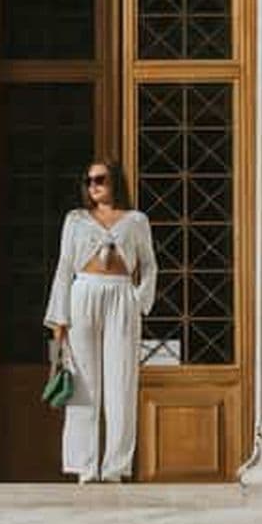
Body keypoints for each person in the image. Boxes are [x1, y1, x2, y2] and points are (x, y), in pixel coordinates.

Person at [43, 159, 158, 484]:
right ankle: (85, 466)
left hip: (121, 294)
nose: (94, 185)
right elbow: (65, 266)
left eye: (100, 179)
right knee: (83, 384)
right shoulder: (76, 219)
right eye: (89, 179)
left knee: (121, 382)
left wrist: (138, 299)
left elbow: (149, 264)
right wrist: (59, 317)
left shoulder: (136, 220)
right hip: (83, 294)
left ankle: (116, 467)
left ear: (115, 182)